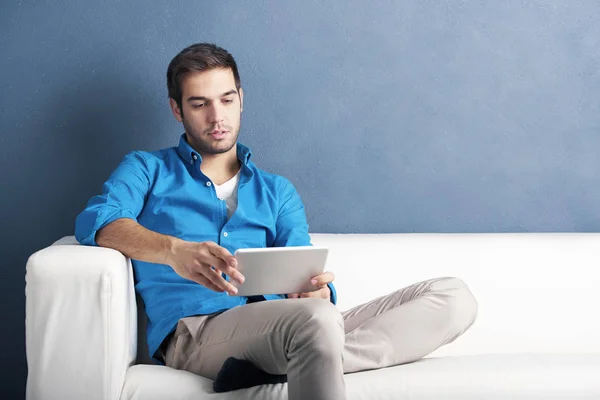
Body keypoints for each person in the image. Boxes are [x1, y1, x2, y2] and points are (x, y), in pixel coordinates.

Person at [75, 43, 478, 400]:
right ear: (176, 109)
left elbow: (304, 268)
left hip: (290, 322)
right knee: (315, 325)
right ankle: (305, 351)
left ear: (241, 99)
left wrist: (317, 293)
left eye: (227, 99)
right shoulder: (147, 168)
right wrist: (173, 251)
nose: (217, 116)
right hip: (197, 331)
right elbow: (99, 221)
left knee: (452, 296)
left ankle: (287, 361)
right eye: (199, 104)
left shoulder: (277, 190)